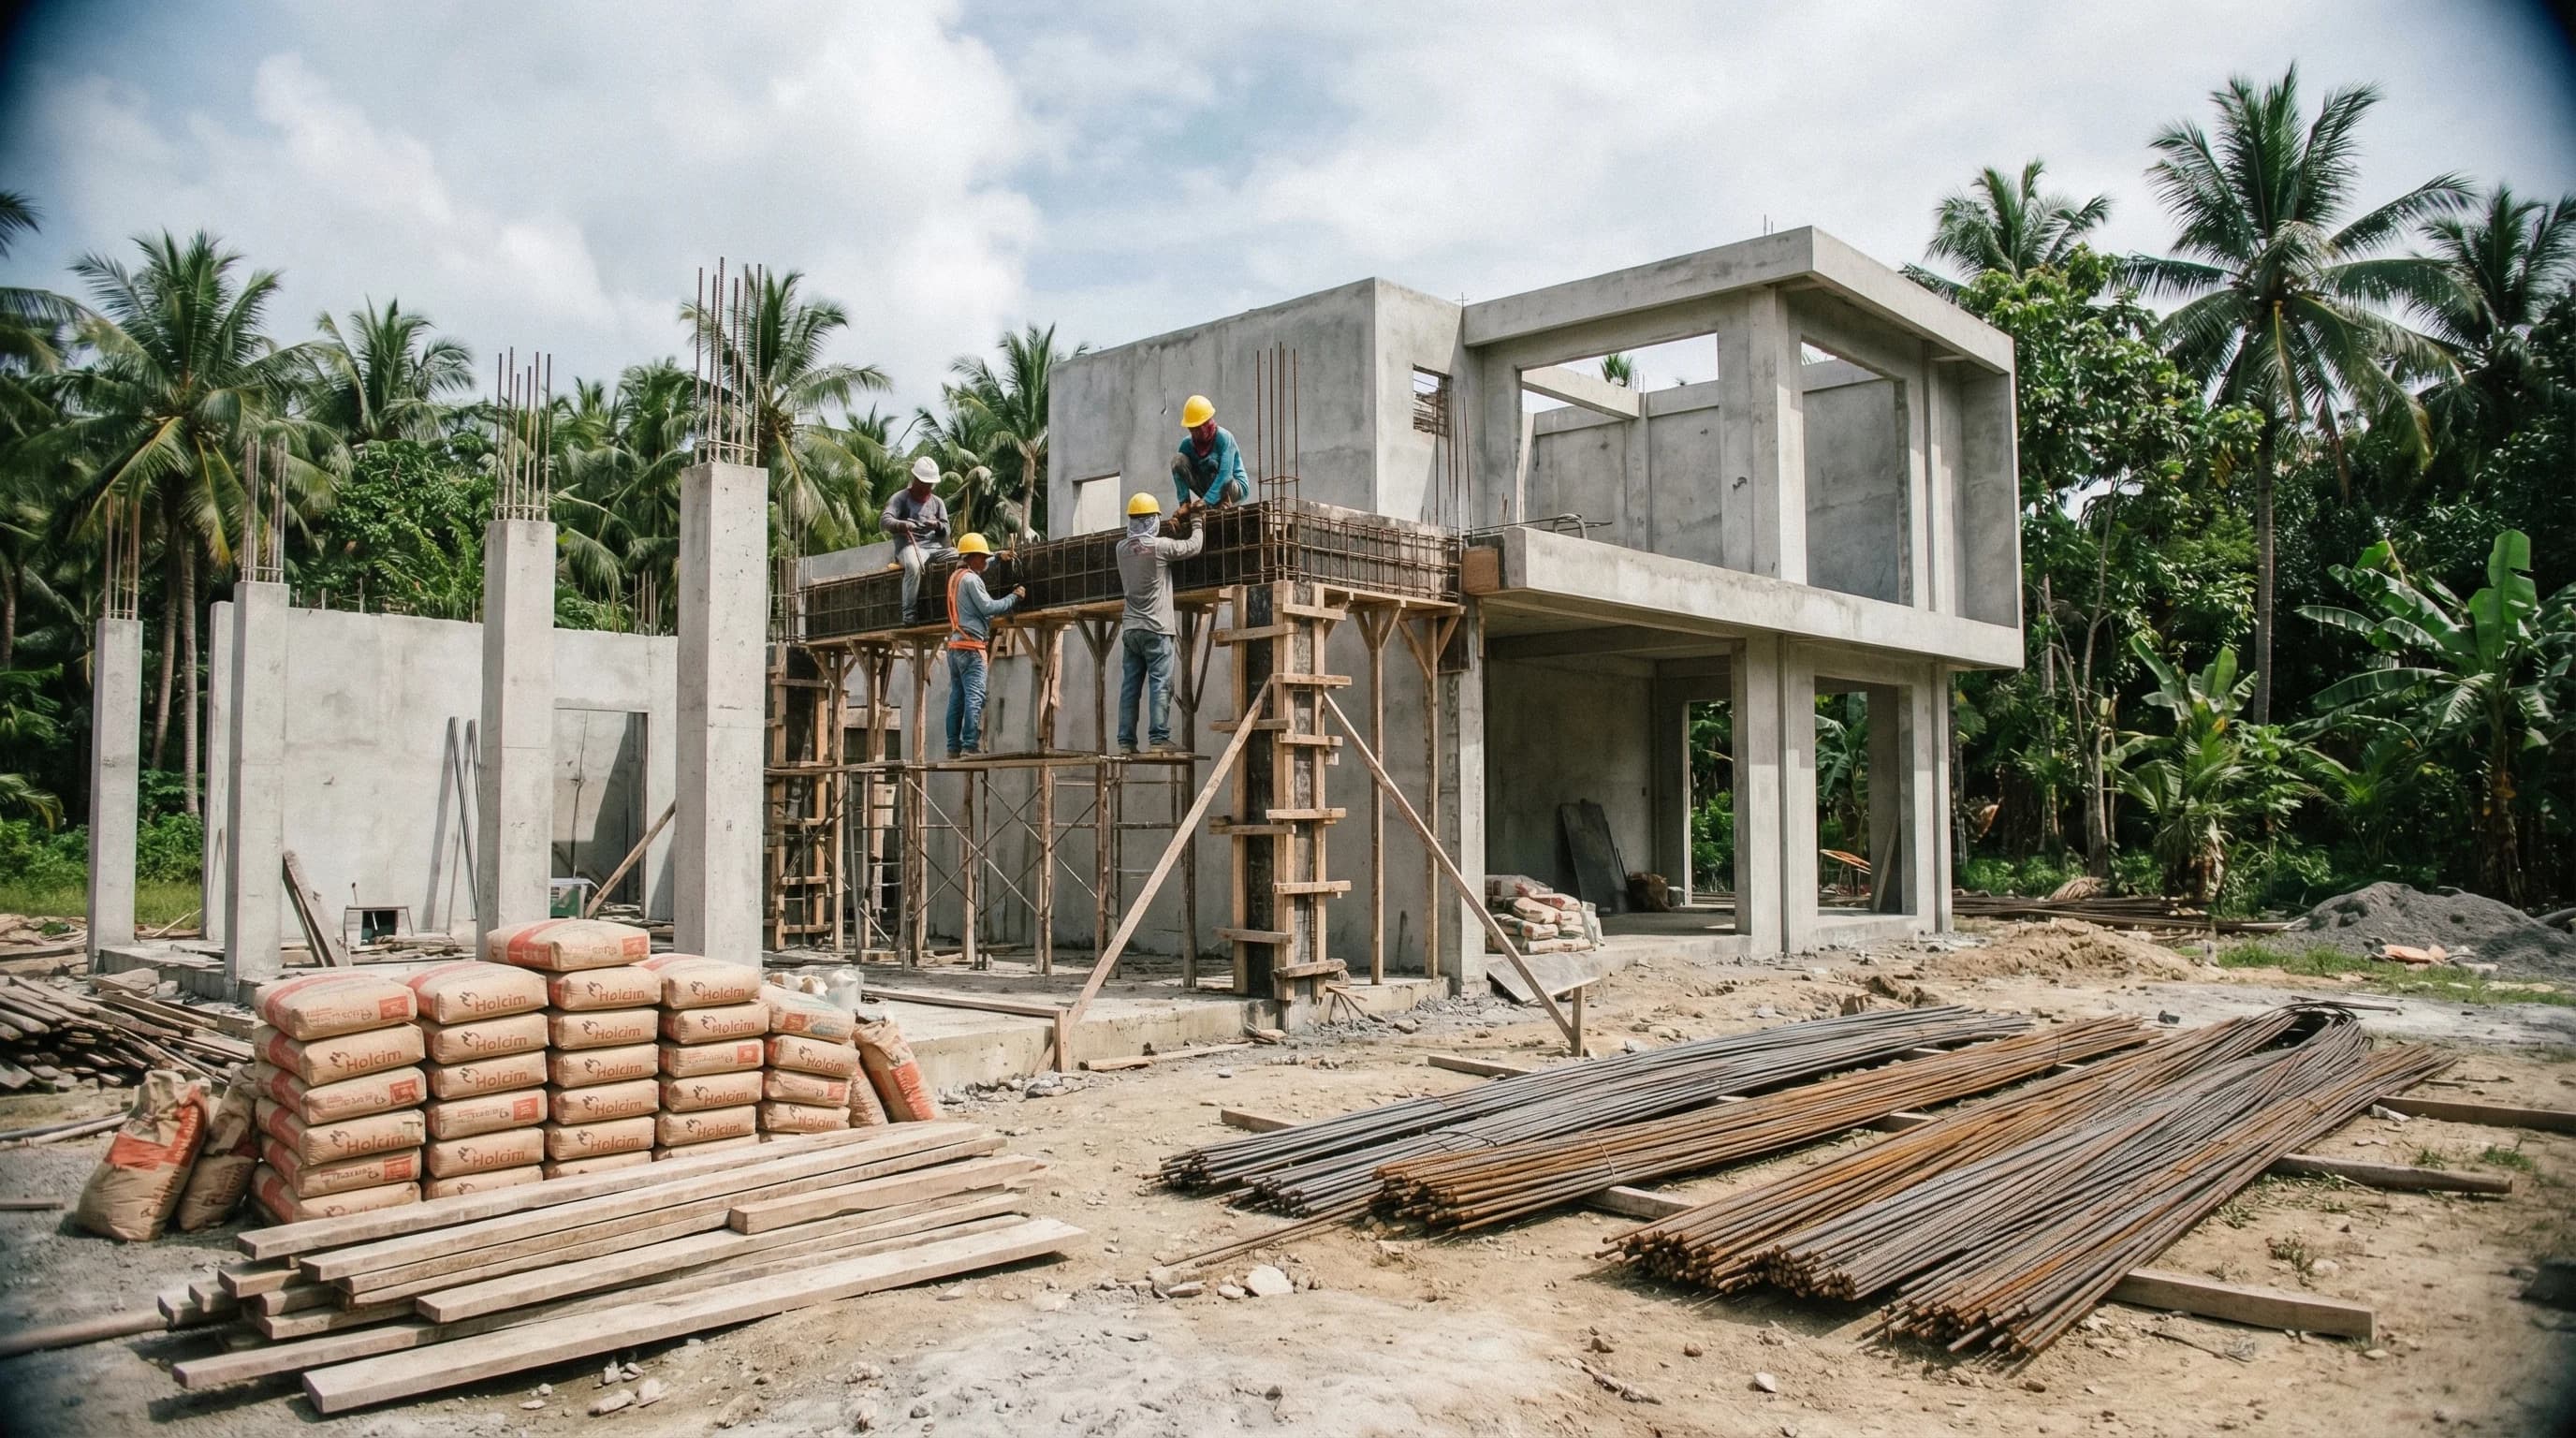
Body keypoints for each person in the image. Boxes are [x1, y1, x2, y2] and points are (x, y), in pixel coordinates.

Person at [1114, 492, 1205, 755]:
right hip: (1157, 630)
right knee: (1160, 684)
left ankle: (1126, 742)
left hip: (1131, 630)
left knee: (1130, 686)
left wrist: (1165, 529)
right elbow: (1193, 546)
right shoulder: (1161, 547)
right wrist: (1197, 520)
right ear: (1153, 520)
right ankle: (1158, 739)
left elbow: (1143, 542)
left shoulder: (1121, 549)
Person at [943, 532, 1023, 757]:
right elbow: (988, 607)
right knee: (975, 696)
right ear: (972, 557)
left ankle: (953, 747)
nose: (985, 560)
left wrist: (998, 556)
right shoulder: (971, 580)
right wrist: (1014, 597)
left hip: (956, 647)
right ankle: (970, 745)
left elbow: (986, 564)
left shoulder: (955, 577)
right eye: (982, 556)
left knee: (957, 697)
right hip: (971, 648)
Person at [883, 456, 951, 623]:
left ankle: (949, 605)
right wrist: (902, 525)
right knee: (913, 565)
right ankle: (909, 614)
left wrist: (937, 525)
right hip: (909, 546)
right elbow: (885, 520)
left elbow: (947, 529)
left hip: (934, 547)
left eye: (930, 484)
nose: (927, 488)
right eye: (924, 483)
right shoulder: (900, 498)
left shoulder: (938, 503)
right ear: (916, 480)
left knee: (959, 557)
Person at [1169, 393, 1249, 511]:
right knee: (1178, 461)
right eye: (1192, 428)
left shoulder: (1224, 438)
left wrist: (1206, 501)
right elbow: (1180, 473)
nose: (1196, 432)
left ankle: (1217, 501)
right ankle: (1188, 504)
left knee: (1210, 464)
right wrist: (1185, 505)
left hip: (1234, 488)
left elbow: (1225, 476)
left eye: (1199, 427)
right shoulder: (1186, 445)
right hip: (1210, 490)